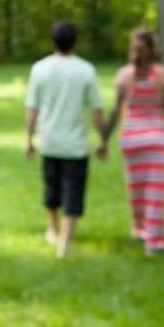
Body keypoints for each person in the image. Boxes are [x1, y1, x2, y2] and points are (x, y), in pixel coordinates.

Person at [25, 21, 107, 259]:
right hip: (75, 145)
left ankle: (53, 230)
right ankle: (64, 243)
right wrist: (103, 140)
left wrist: (29, 139)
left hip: (49, 141)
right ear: (76, 40)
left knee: (51, 188)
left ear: (53, 41)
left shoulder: (39, 69)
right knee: (73, 192)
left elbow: (32, 109)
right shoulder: (86, 70)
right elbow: (96, 110)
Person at [100, 28, 164, 256]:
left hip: (131, 139)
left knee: (136, 189)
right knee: (155, 192)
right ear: (153, 49)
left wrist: (104, 141)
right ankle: (154, 240)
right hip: (157, 138)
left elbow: (116, 112)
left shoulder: (124, 76)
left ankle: (139, 228)